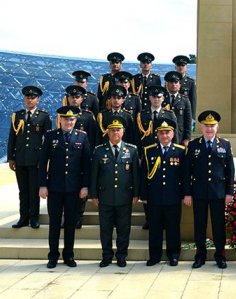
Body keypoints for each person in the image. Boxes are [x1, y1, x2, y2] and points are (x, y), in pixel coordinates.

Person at [38, 106, 91, 269]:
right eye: (66, 119)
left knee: (70, 224)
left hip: (74, 188)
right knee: (54, 223)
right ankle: (53, 256)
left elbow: (86, 164)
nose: (69, 122)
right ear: (60, 120)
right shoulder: (50, 136)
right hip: (54, 187)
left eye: (72, 119)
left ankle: (69, 255)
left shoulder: (82, 137)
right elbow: (42, 163)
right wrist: (42, 185)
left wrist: (85, 186)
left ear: (76, 121)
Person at [183, 110, 235, 269]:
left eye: (212, 126)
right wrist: (187, 193)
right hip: (198, 192)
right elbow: (186, 171)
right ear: (201, 127)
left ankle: (220, 255)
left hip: (218, 193)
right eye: (206, 126)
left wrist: (229, 192)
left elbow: (230, 170)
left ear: (217, 127)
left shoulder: (225, 144)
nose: (209, 129)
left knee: (218, 226)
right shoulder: (193, 145)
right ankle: (200, 256)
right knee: (199, 225)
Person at [90, 118, 139, 268]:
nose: (115, 132)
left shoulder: (131, 150)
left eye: (118, 130)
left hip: (125, 196)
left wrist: (136, 194)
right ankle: (106, 256)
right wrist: (94, 195)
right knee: (106, 229)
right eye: (112, 130)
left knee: (124, 229)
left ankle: (121, 256)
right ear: (108, 132)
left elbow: (135, 174)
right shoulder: (99, 150)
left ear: (123, 132)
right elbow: (94, 175)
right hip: (105, 197)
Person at [140, 117, 186, 266]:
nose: (164, 136)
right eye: (161, 133)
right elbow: (143, 175)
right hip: (154, 198)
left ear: (173, 134)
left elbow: (184, 176)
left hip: (173, 197)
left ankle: (173, 255)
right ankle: (155, 256)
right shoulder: (149, 151)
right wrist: (144, 195)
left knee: (173, 227)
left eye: (167, 133)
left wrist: (184, 194)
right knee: (154, 228)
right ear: (157, 134)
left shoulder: (180, 152)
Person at [8, 86, 52, 229]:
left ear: (38, 100)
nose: (30, 100)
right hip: (20, 158)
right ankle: (23, 218)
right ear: (24, 99)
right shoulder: (17, 116)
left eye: (33, 98)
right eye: (27, 97)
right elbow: (12, 138)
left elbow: (48, 140)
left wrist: (45, 160)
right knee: (23, 191)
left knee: (34, 191)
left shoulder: (44, 116)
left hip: (36, 160)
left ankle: (34, 218)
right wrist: (11, 157)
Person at [137, 85, 177, 230]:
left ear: (163, 98)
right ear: (149, 98)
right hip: (148, 155)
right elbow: (137, 137)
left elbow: (175, 136)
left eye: (159, 97)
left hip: (166, 153)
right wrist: (139, 156)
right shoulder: (142, 114)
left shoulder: (170, 114)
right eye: (154, 97)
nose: (156, 99)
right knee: (149, 185)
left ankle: (165, 220)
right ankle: (149, 219)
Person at [61, 85, 98, 229]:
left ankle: (78, 218)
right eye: (72, 97)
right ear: (68, 98)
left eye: (77, 97)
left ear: (82, 99)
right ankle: (68, 218)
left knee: (81, 191)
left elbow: (93, 138)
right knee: (66, 191)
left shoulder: (88, 116)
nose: (75, 99)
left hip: (82, 157)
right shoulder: (63, 115)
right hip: (66, 158)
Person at [164, 71, 192, 146]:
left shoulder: (185, 100)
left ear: (180, 85)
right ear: (167, 84)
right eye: (171, 82)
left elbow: (188, 120)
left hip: (180, 136)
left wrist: (187, 138)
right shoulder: (162, 98)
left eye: (176, 82)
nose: (173, 84)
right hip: (164, 135)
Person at [173, 55, 197, 119]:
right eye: (178, 65)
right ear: (175, 67)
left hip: (185, 114)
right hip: (172, 112)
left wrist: (192, 117)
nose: (181, 67)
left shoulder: (190, 82)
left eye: (183, 65)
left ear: (186, 67)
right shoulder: (170, 81)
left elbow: (193, 100)